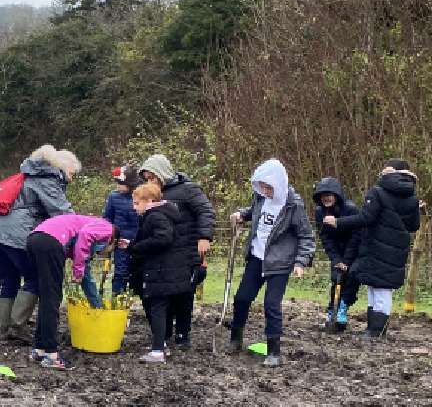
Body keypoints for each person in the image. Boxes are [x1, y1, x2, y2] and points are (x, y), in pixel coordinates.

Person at [0, 144, 81, 342]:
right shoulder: (47, 179)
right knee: (35, 277)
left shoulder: (28, 175)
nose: (72, 177)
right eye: (73, 173)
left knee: (9, 279)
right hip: (16, 233)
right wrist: (83, 230)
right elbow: (63, 213)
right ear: (63, 167)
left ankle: (4, 327)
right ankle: (17, 326)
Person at [225, 159, 315, 367]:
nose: (265, 191)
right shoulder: (260, 198)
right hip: (257, 258)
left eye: (268, 187)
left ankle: (274, 351)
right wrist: (242, 215)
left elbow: (306, 236)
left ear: (278, 184)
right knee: (241, 298)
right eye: (262, 186)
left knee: (271, 305)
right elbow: (254, 211)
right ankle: (235, 339)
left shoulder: (293, 205)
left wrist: (301, 262)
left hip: (280, 263)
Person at [325, 159, 421, 339]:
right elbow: (414, 225)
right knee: (383, 289)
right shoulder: (412, 198)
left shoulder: (377, 192)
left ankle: (375, 330)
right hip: (396, 250)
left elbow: (365, 218)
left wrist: (338, 222)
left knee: (375, 288)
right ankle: (376, 329)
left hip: (376, 247)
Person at [138, 154, 215, 350]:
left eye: (152, 177)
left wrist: (204, 236)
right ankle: (163, 334)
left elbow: (205, 210)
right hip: (163, 253)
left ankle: (183, 334)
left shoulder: (188, 189)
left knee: (184, 294)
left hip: (186, 250)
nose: (150, 182)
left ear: (162, 174)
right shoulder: (151, 194)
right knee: (162, 294)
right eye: (146, 178)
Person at [25, 213, 116, 370]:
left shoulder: (81, 227)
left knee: (46, 297)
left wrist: (97, 305)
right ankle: (51, 354)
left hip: (34, 239)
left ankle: (40, 349)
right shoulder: (107, 228)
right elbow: (85, 237)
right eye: (108, 251)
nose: (102, 254)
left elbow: (85, 270)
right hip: (50, 242)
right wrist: (78, 271)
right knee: (52, 299)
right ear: (112, 241)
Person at [125, 183, 197, 363]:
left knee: (157, 308)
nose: (134, 208)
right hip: (167, 270)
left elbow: (163, 238)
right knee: (160, 308)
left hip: (161, 270)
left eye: (136, 203)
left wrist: (137, 247)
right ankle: (161, 344)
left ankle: (158, 350)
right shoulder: (163, 213)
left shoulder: (155, 216)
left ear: (149, 201)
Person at [313, 177, 363, 331]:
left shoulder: (351, 209)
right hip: (337, 252)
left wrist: (346, 261)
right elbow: (325, 238)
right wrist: (336, 259)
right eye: (323, 195)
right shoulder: (319, 212)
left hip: (355, 250)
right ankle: (331, 311)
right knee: (336, 279)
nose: (326, 198)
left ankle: (342, 307)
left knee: (352, 277)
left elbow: (356, 236)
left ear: (337, 195)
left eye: (329, 194)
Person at [102, 165, 142, 295]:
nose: (118, 186)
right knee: (120, 271)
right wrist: (109, 237)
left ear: (130, 184)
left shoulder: (142, 196)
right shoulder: (113, 197)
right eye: (117, 183)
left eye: (121, 183)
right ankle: (117, 299)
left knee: (139, 271)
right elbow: (107, 218)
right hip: (120, 242)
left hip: (139, 241)